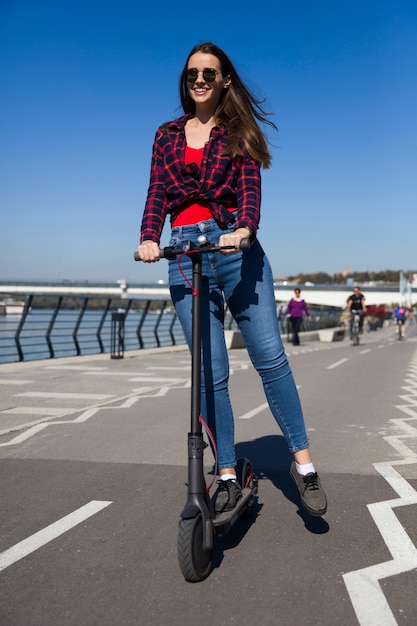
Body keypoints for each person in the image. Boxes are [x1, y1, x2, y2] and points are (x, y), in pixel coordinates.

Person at [137, 42, 327, 517]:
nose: (198, 79)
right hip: (183, 254)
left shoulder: (239, 131)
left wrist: (243, 229)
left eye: (208, 72)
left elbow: (249, 189)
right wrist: (147, 239)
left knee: (269, 358)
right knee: (210, 373)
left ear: (224, 80)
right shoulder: (165, 135)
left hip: (234, 251)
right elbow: (156, 193)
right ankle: (224, 473)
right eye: (191, 73)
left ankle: (302, 464)